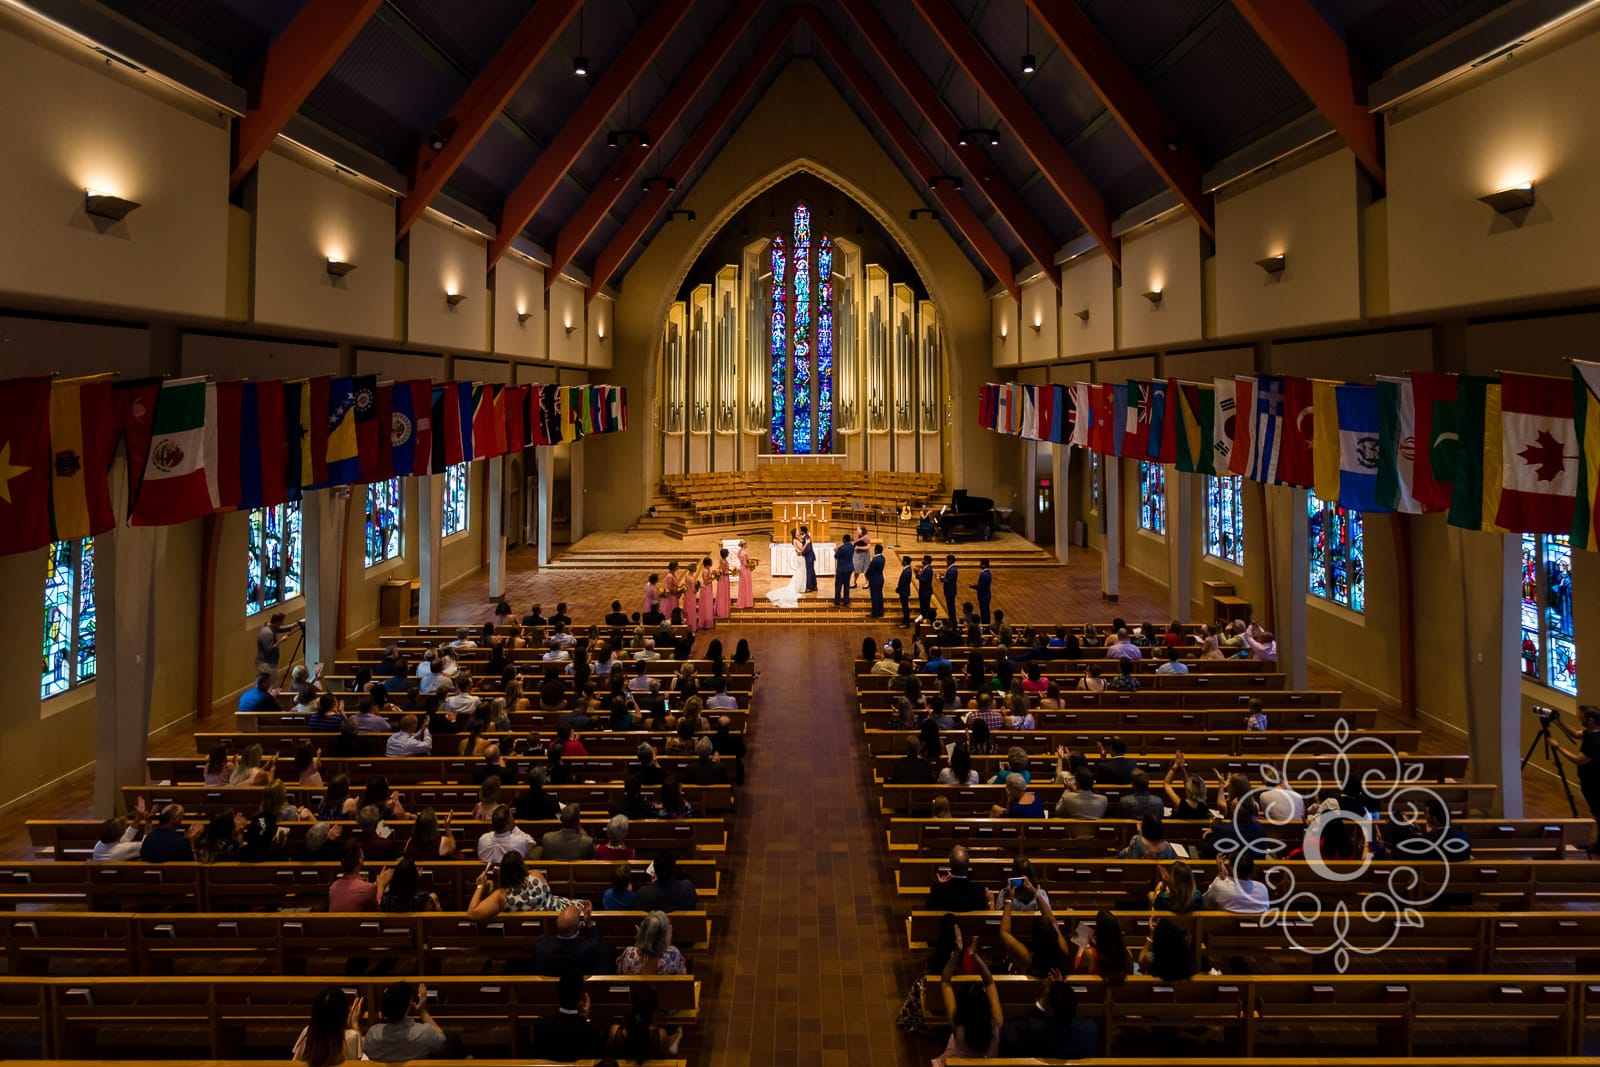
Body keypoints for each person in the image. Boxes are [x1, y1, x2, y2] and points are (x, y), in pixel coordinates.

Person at [1000, 971, 1097, 1059]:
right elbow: (1070, 1012)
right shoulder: (1090, 1029)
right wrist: (1061, 990)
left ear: (1050, 1010)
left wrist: (1044, 998)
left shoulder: (1034, 1030)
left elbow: (1029, 1020)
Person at [936, 939, 1002, 1065]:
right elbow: (990, 983)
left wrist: (957, 953)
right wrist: (975, 956)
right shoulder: (997, 1024)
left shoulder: (958, 1028)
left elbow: (945, 982)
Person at [361, 980, 453, 1060]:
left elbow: (365, 1049)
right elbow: (442, 1041)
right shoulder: (423, 1033)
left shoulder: (373, 1035)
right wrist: (423, 1012)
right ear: (409, 1005)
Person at [1553, 705, 1600, 854]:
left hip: (1595, 783)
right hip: (1590, 781)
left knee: (1599, 813)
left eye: (1581, 717)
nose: (1579, 719)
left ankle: (1599, 846)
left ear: (1591, 720)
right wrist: (1558, 721)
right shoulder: (1590, 732)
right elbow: (1575, 734)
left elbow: (1578, 759)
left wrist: (1557, 746)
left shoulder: (1596, 741)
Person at [532, 972, 605, 1061]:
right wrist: (587, 1020)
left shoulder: (540, 1026)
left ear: (558, 995)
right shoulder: (591, 1031)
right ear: (581, 998)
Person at [531, 903, 612, 978]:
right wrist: (589, 924)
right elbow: (599, 943)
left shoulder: (540, 948)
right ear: (578, 925)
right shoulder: (590, 949)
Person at [604, 984, 683, 1061]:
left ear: (632, 1006)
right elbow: (665, 1061)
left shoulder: (615, 1032)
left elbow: (606, 1057)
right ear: (653, 1012)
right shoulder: (660, 1035)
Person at [292, 986, 362, 1067]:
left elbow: (295, 1060)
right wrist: (355, 1025)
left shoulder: (309, 1030)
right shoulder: (352, 1036)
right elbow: (358, 1063)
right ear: (343, 1012)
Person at [616, 909, 687, 974]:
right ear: (664, 936)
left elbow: (619, 973)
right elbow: (683, 977)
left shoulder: (628, 954)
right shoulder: (673, 955)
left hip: (635, 988)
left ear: (642, 931)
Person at [925, 846, 988, 912]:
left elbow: (929, 908)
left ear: (950, 866)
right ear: (968, 866)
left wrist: (940, 885)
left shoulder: (937, 889)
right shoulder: (979, 891)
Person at [1204, 851, 1270, 913]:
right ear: (1252, 869)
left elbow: (1206, 904)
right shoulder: (1262, 889)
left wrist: (1219, 877)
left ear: (1231, 867)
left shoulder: (1219, 887)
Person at [767, 530, 810, 609]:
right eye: (797, 532)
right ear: (794, 534)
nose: (799, 533)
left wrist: (804, 538)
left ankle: (801, 587)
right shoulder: (795, 541)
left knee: (802, 572)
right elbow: (802, 549)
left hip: (801, 557)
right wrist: (807, 543)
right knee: (799, 572)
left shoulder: (797, 539)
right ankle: (796, 587)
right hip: (800, 558)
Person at [864, 543, 887, 618]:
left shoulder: (875, 560)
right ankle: (880, 611)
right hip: (880, 579)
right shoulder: (883, 558)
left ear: (876, 550)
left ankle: (875, 613)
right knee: (880, 596)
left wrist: (866, 575)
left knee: (874, 597)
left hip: (874, 580)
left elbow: (870, 570)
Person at [832, 534, 854, 606]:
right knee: (846, 585)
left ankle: (837, 602)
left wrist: (836, 551)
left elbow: (836, 556)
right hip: (849, 568)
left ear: (844, 540)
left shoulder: (842, 548)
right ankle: (846, 601)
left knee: (838, 585)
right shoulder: (852, 547)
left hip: (841, 569)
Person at [735, 540, 757, 609]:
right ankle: (747, 603)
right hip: (746, 570)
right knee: (747, 585)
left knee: (742, 586)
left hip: (741, 569)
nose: (747, 545)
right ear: (744, 545)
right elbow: (745, 563)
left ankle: (742, 602)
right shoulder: (744, 553)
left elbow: (742, 562)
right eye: (746, 544)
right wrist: (751, 566)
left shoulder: (739, 552)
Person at [971, 558, 993, 624]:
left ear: (984, 565)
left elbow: (981, 586)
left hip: (984, 596)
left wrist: (973, 586)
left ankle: (985, 625)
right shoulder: (987, 573)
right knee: (985, 611)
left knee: (984, 612)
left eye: (980, 563)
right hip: (985, 595)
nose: (979, 565)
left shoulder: (984, 575)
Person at [850, 524, 871, 589]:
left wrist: (859, 547)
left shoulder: (866, 537)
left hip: (864, 555)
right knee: (856, 569)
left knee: (866, 569)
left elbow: (868, 546)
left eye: (858, 529)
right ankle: (854, 582)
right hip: (857, 555)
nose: (857, 530)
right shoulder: (857, 536)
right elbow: (855, 543)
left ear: (862, 530)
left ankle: (867, 583)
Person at [917, 554, 935, 621]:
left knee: (925, 607)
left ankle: (925, 621)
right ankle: (922, 619)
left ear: (926, 561)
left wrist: (918, 575)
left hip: (925, 592)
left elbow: (924, 579)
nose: (922, 560)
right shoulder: (925, 568)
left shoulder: (928, 569)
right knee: (922, 607)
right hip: (923, 591)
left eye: (923, 559)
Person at [799, 524, 817, 591]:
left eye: (800, 531)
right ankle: (814, 586)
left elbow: (808, 549)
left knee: (809, 572)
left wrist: (802, 553)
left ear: (803, 531)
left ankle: (809, 587)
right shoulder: (806, 536)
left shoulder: (806, 537)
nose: (799, 532)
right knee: (812, 571)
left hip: (809, 557)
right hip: (810, 556)